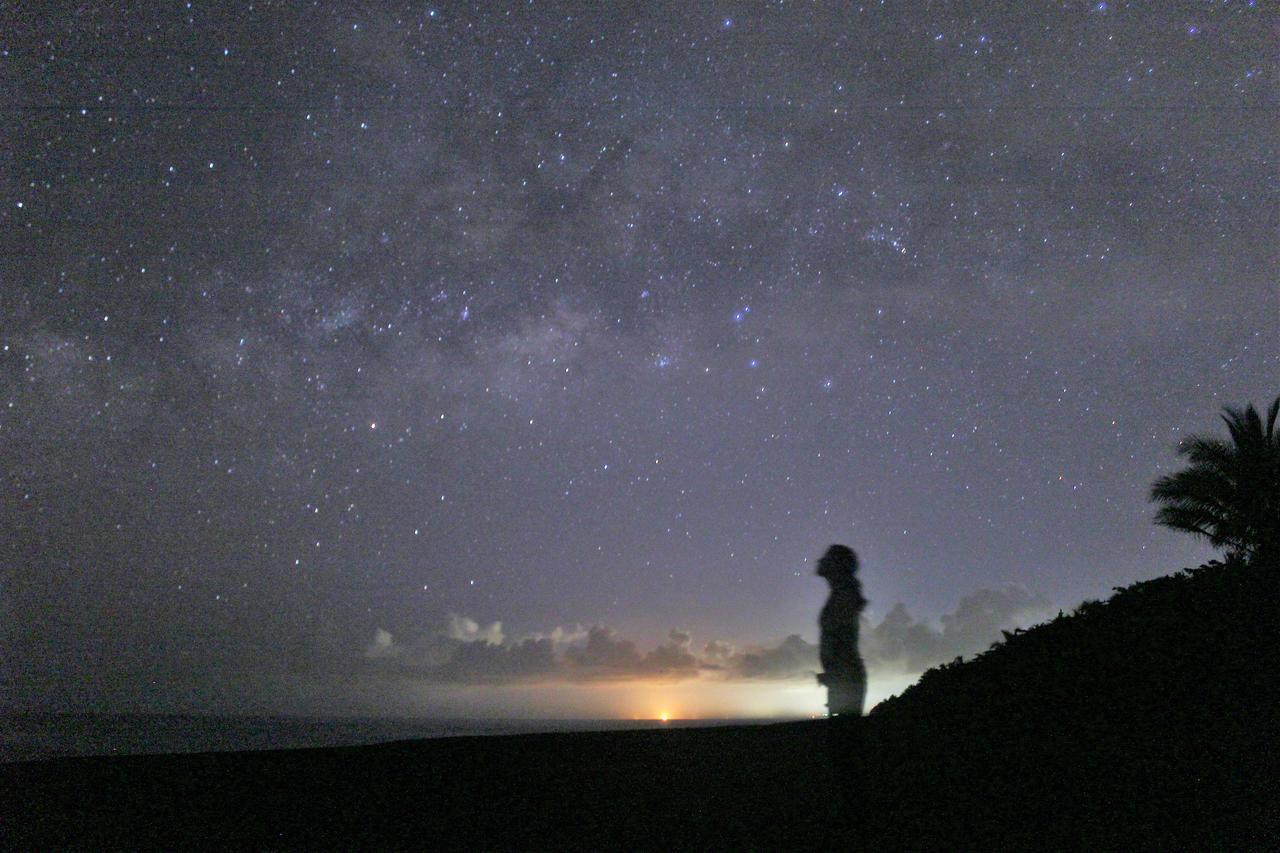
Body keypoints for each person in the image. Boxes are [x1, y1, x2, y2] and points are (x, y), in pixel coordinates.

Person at [816, 544, 868, 716]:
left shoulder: (844, 595)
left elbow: (841, 637)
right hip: (843, 678)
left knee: (844, 738)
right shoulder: (842, 593)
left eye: (828, 558)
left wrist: (836, 674)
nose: (821, 560)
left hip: (845, 679)